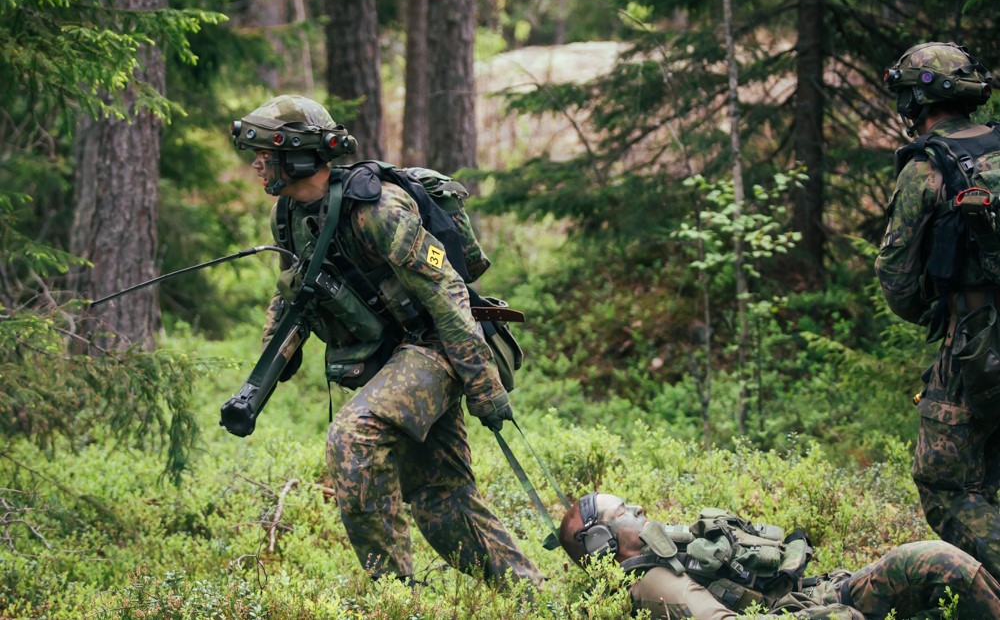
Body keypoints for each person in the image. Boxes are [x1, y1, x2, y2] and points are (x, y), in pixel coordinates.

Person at [231, 95, 542, 587]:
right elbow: (292, 288)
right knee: (443, 499)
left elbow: (447, 293)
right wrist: (267, 372)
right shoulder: (288, 215)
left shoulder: (377, 208)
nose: (255, 164)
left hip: (435, 346)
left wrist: (485, 388)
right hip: (388, 358)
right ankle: (533, 597)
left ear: (298, 155)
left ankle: (393, 601)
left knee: (353, 437)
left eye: (265, 155)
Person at [876, 41, 1000, 579]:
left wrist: (938, 311)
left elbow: (896, 278)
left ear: (916, 102)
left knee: (947, 483)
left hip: (975, 342)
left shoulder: (926, 169)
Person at [559, 491, 1000, 619]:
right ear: (603, 543)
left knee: (933, 561)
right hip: (816, 609)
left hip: (817, 593)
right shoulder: (657, 586)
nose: (637, 508)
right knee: (938, 565)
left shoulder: (665, 553)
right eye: (624, 511)